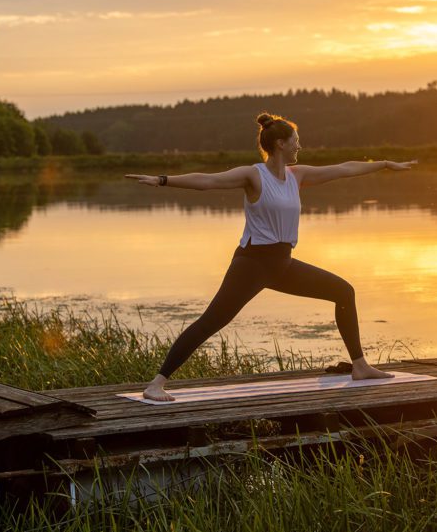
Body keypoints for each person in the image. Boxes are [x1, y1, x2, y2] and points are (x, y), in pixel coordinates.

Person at [125, 112, 417, 401]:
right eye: (296, 141)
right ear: (280, 144)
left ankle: (360, 366)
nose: (299, 146)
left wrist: (386, 164)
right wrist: (162, 180)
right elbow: (208, 181)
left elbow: (344, 168)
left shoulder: (296, 176)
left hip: (283, 263)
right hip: (251, 265)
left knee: (343, 291)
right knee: (210, 322)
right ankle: (156, 384)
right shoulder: (254, 175)